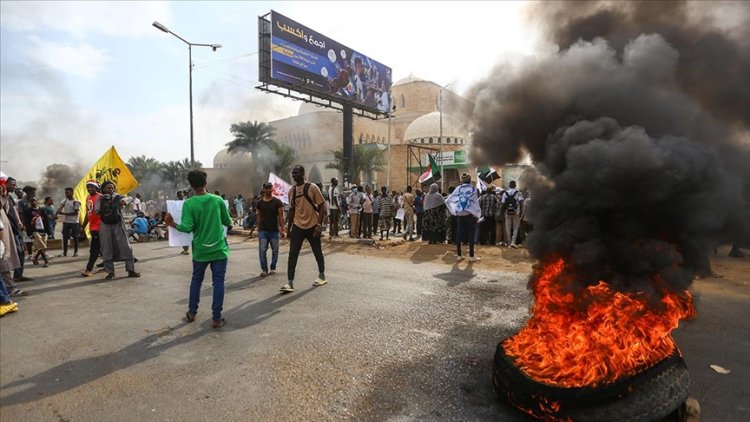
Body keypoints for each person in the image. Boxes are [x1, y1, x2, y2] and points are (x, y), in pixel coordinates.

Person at [165, 170, 232, 328]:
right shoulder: (217, 200)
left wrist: (171, 223)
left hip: (200, 250)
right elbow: (227, 221)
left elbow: (187, 228)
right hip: (219, 249)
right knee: (219, 283)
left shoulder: (189, 203)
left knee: (196, 281)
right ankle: (216, 318)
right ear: (205, 183)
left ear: (191, 185)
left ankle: (192, 312)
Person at [281, 165, 327, 293]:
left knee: (317, 251)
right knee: (292, 254)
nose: (293, 175)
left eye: (296, 173)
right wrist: (288, 229)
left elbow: (322, 206)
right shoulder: (292, 191)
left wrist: (319, 225)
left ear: (303, 173)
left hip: (312, 225)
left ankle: (322, 275)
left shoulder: (312, 188)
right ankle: (290, 282)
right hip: (298, 226)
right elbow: (291, 210)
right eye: (293, 173)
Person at [97, 181, 140, 279]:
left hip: (118, 224)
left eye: (112, 188)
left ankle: (131, 270)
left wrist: (123, 201)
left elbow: (129, 198)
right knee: (107, 248)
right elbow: (97, 211)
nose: (111, 190)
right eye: (108, 188)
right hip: (105, 225)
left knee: (126, 247)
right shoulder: (100, 198)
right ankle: (110, 272)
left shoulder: (117, 196)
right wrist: (106, 205)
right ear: (103, 189)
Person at [447, 173, 481, 261]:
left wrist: (454, 210)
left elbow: (448, 200)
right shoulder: (473, 189)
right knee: (471, 235)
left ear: (462, 180)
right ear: (469, 180)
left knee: (458, 235)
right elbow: (474, 202)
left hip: (459, 216)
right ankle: (471, 256)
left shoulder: (458, 188)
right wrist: (477, 213)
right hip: (469, 215)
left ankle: (459, 255)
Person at [256, 182, 285, 277]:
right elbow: (259, 217)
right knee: (262, 250)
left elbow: (281, 216)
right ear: (263, 189)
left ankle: (273, 267)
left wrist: (282, 229)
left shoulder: (277, 202)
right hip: (263, 231)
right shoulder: (259, 203)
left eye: (270, 188)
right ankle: (264, 269)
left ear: (272, 189)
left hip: (274, 230)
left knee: (275, 250)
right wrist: (258, 228)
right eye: (266, 188)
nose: (268, 190)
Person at [80, 181, 102, 277]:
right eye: (88, 187)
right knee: (100, 248)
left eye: (92, 187)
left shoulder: (100, 197)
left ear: (96, 188)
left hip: (100, 227)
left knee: (94, 249)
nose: (89, 189)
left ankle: (89, 269)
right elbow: (87, 214)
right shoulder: (88, 198)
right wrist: (83, 227)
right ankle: (107, 264)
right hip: (92, 227)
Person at [24, 196, 50, 267]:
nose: (33, 202)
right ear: (29, 202)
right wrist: (29, 232)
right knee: (41, 245)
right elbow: (26, 222)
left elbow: (46, 221)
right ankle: (46, 261)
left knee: (42, 246)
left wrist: (48, 231)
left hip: (42, 230)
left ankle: (35, 258)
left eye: (34, 200)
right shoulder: (27, 211)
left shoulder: (42, 210)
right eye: (32, 201)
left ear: (37, 201)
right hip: (34, 231)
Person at [57, 187, 81, 257]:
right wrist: (55, 215)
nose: (66, 194)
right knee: (65, 237)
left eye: (67, 193)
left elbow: (75, 213)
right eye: (65, 193)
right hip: (66, 222)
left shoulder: (76, 202)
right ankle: (65, 252)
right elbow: (59, 209)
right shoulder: (64, 201)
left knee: (75, 237)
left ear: (72, 193)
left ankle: (75, 252)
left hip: (74, 222)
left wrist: (63, 214)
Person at [501, 180, 524, 248]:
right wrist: (521, 211)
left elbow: (502, 204)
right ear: (515, 185)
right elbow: (521, 202)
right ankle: (513, 242)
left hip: (507, 213)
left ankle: (509, 243)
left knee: (508, 228)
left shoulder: (505, 193)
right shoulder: (519, 193)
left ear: (509, 185)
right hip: (516, 212)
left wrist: (501, 212)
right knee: (515, 228)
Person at [175, 190, 190, 255]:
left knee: (185, 235)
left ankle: (186, 250)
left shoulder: (186, 201)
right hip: (180, 220)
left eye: (181, 194)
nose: (181, 196)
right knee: (182, 236)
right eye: (179, 195)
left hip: (186, 219)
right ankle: (185, 249)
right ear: (177, 196)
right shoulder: (177, 202)